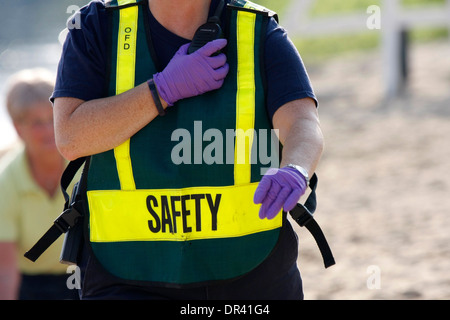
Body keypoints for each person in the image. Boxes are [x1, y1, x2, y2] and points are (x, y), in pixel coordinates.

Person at [51, 0, 323, 300]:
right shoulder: (95, 26)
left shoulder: (257, 30)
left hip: (252, 266)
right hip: (127, 272)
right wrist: (161, 89)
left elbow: (302, 121)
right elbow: (71, 139)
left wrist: (296, 168)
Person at [0, 68, 79, 300]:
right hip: (31, 287)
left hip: (84, 277)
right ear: (17, 128)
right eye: (36, 122)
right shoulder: (5, 181)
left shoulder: (85, 164)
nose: (48, 130)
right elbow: (5, 270)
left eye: (52, 118)